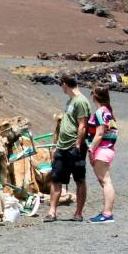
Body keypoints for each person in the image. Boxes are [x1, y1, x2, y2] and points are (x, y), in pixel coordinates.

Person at [45, 74, 90, 222]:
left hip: (74, 146)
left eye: (61, 85)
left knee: (79, 179)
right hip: (62, 146)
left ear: (65, 84)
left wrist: (77, 145)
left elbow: (83, 125)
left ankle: (78, 213)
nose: (61, 88)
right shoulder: (70, 101)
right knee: (56, 178)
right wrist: (57, 145)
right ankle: (52, 212)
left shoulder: (81, 101)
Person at [85, 85, 118, 223]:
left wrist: (91, 149)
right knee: (105, 181)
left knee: (106, 182)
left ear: (95, 96)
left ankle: (107, 213)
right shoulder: (108, 111)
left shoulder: (100, 112)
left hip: (102, 149)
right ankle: (106, 212)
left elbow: (99, 133)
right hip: (108, 149)